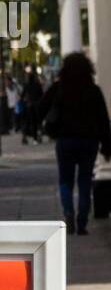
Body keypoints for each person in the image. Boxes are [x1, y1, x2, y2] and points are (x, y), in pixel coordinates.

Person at [38, 51, 111, 235]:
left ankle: (68, 212)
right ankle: (82, 222)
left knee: (65, 179)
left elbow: (40, 108)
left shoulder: (59, 88)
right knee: (85, 181)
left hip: (65, 140)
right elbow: (103, 119)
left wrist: (40, 126)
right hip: (89, 141)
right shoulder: (93, 90)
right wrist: (106, 144)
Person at [21, 67, 43, 144]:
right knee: (38, 121)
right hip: (37, 104)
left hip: (30, 105)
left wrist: (24, 101)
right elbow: (41, 94)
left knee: (30, 121)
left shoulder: (26, 85)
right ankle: (39, 135)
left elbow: (22, 95)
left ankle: (34, 138)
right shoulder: (38, 85)